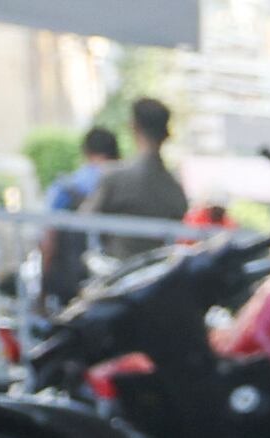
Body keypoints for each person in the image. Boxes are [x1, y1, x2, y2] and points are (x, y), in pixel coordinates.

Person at [39, 123, 115, 312]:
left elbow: (48, 240)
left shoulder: (66, 186)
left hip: (72, 284)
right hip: (117, 280)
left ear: (86, 152)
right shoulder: (128, 185)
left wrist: (42, 292)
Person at [83, 93, 179, 241]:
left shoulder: (114, 178)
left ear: (133, 126)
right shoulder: (174, 188)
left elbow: (82, 220)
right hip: (162, 263)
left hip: (122, 262)